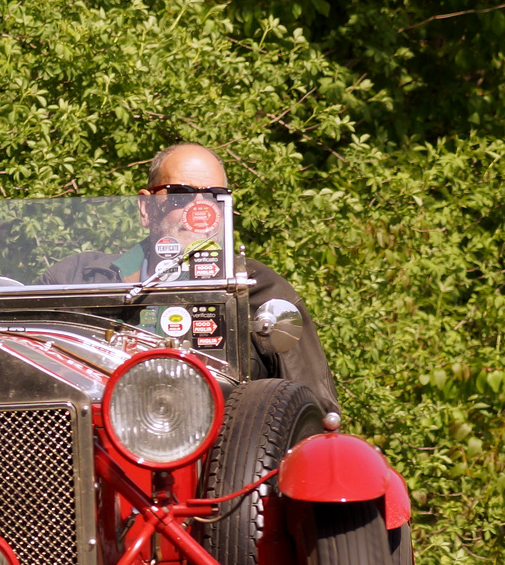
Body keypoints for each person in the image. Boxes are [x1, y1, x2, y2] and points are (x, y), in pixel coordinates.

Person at [40, 143, 339, 414]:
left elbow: (314, 415)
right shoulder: (79, 279)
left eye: (213, 196)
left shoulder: (260, 291)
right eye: (180, 194)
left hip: (223, 468)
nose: (198, 209)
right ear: (146, 208)